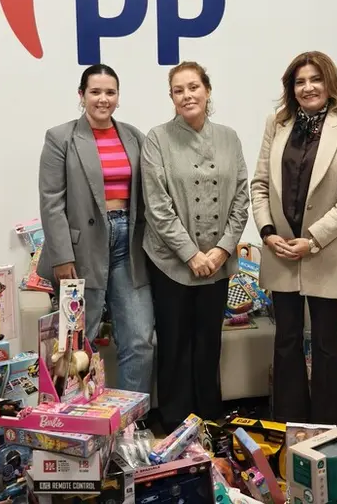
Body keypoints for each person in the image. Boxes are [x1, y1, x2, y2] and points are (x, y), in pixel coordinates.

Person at [250, 51, 337, 425]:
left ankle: (326, 428)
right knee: (285, 340)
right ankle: (288, 423)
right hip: (280, 249)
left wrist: (314, 239)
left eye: (315, 79)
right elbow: (259, 185)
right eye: (299, 81)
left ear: (329, 82)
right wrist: (268, 233)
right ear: (291, 88)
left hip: (324, 251)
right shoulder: (277, 123)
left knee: (325, 344)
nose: (308, 87)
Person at [141, 61, 250, 430]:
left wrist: (221, 251)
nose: (187, 95)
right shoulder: (156, 139)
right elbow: (157, 206)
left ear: (207, 89)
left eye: (193, 87)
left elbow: (241, 198)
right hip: (171, 263)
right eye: (178, 90)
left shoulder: (229, 138)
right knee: (173, 343)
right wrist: (191, 254)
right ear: (171, 97)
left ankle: (210, 418)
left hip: (218, 264)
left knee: (208, 343)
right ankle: (174, 422)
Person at [37, 64, 155, 395]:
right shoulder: (60, 137)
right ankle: (72, 419)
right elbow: (51, 202)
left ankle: (131, 421)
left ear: (118, 97)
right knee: (75, 344)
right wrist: (61, 255)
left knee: (140, 338)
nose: (103, 99)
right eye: (95, 92)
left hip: (127, 246)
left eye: (110, 92)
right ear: (81, 95)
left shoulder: (133, 135)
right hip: (81, 250)